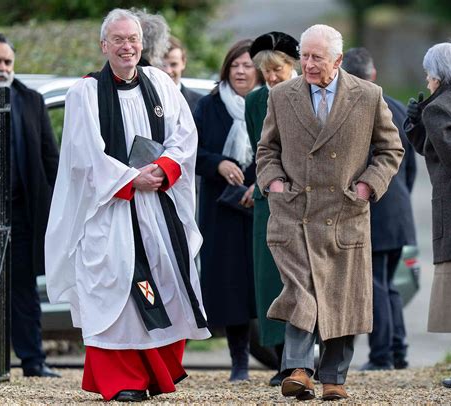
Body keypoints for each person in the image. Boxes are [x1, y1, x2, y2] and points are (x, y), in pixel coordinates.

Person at [45, 9, 210, 402]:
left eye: (133, 39)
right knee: (113, 286)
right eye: (118, 39)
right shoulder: (85, 92)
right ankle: (122, 380)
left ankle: (156, 373)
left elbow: (185, 135)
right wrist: (130, 179)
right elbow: (84, 154)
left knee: (165, 283)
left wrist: (164, 168)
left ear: (141, 43)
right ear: (104, 46)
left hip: (157, 205)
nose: (127, 46)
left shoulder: (160, 82)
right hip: (111, 209)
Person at [256, 24, 404, 401]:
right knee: (300, 288)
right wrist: (274, 184)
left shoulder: (367, 95)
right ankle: (299, 369)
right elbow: (267, 150)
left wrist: (367, 186)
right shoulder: (282, 95)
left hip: (344, 213)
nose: (307, 64)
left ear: (337, 60)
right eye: (303, 56)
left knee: (341, 296)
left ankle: (334, 378)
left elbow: (391, 150)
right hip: (294, 212)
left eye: (316, 58)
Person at [0, 33, 60, 378]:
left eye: (7, 62)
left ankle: (33, 361)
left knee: (24, 290)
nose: (2, 68)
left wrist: (58, 206)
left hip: (20, 213)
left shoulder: (30, 100)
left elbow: (50, 158)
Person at [342, 47, 417, 371]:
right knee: (390, 284)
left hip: (375, 209)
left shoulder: (356, 109)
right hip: (400, 211)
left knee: (374, 284)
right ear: (373, 74)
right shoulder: (396, 107)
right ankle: (398, 351)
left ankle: (381, 355)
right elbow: (409, 165)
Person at [194, 39, 261, 381]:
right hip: (221, 209)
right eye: (235, 65)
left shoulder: (271, 102)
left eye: (247, 65)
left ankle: (287, 361)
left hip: (263, 205)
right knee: (231, 286)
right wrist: (218, 163)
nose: (240, 71)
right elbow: (191, 151)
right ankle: (239, 363)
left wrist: (260, 184)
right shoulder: (208, 106)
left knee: (265, 284)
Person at [245, 31, 299, 387]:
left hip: (302, 199)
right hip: (268, 201)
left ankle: (303, 358)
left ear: (292, 65)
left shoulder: (306, 95)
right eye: (266, 71)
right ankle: (281, 359)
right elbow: (259, 151)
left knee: (300, 281)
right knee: (269, 281)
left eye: (278, 69)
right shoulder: (255, 100)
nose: (272, 77)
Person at [404, 41, 451, 389]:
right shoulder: (438, 107)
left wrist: (424, 117)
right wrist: (417, 124)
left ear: (438, 74)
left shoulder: (439, 109)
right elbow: (435, 148)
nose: (426, 79)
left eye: (428, 73)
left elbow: (450, 157)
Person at [162, 36, 202, 112]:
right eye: (162, 65)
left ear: (183, 63)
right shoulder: (143, 100)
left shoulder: (200, 103)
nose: (168, 71)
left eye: (173, 64)